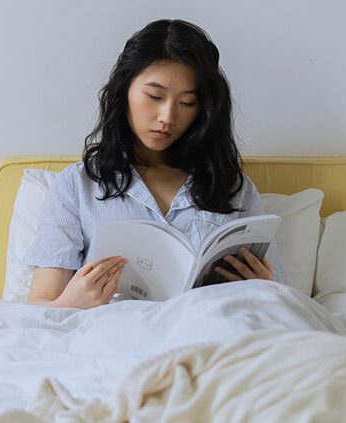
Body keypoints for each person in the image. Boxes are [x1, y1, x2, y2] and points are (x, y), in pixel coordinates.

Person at [23, 19, 286, 309]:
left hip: (212, 337)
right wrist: (74, 302)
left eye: (187, 103)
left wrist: (266, 289)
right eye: (154, 96)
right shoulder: (76, 186)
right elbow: (40, 305)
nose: (167, 117)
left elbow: (283, 303)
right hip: (110, 338)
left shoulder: (232, 187)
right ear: (125, 90)